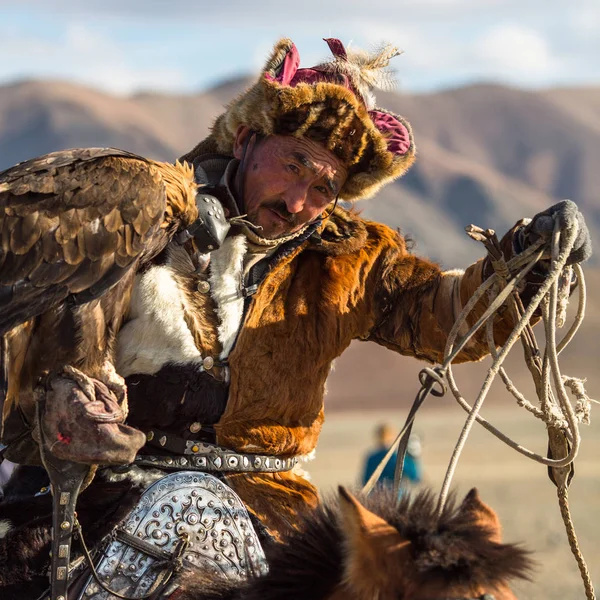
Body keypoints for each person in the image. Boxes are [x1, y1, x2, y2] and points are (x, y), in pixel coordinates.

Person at [0, 37, 592, 597]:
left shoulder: (350, 258)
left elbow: (445, 316)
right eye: (293, 164)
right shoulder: (138, 211)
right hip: (96, 492)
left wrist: (522, 265)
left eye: (324, 186)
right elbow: (27, 334)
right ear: (246, 140)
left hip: (269, 507)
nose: (298, 200)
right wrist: (48, 403)